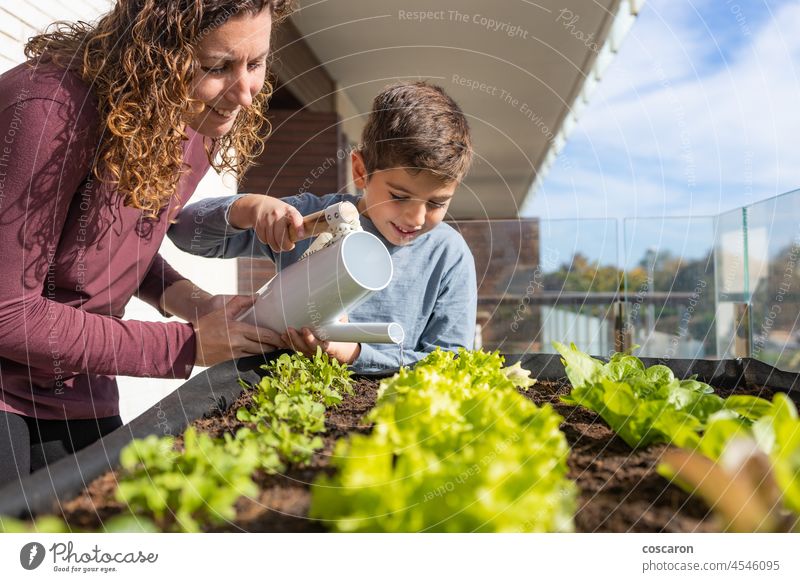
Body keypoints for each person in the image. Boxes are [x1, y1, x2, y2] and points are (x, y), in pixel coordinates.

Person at [0, 0, 292, 487]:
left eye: (256, 63)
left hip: (75, 384)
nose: (245, 93)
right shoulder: (47, 114)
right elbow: (9, 310)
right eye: (217, 67)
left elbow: (102, 242)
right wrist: (189, 345)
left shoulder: (191, 119)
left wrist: (195, 303)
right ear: (154, 55)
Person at [169, 82, 478, 373]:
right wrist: (247, 209)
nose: (416, 218)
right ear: (360, 171)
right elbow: (184, 234)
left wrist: (356, 354)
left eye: (437, 203)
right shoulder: (313, 217)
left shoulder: (448, 255)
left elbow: (451, 364)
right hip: (289, 402)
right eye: (399, 196)